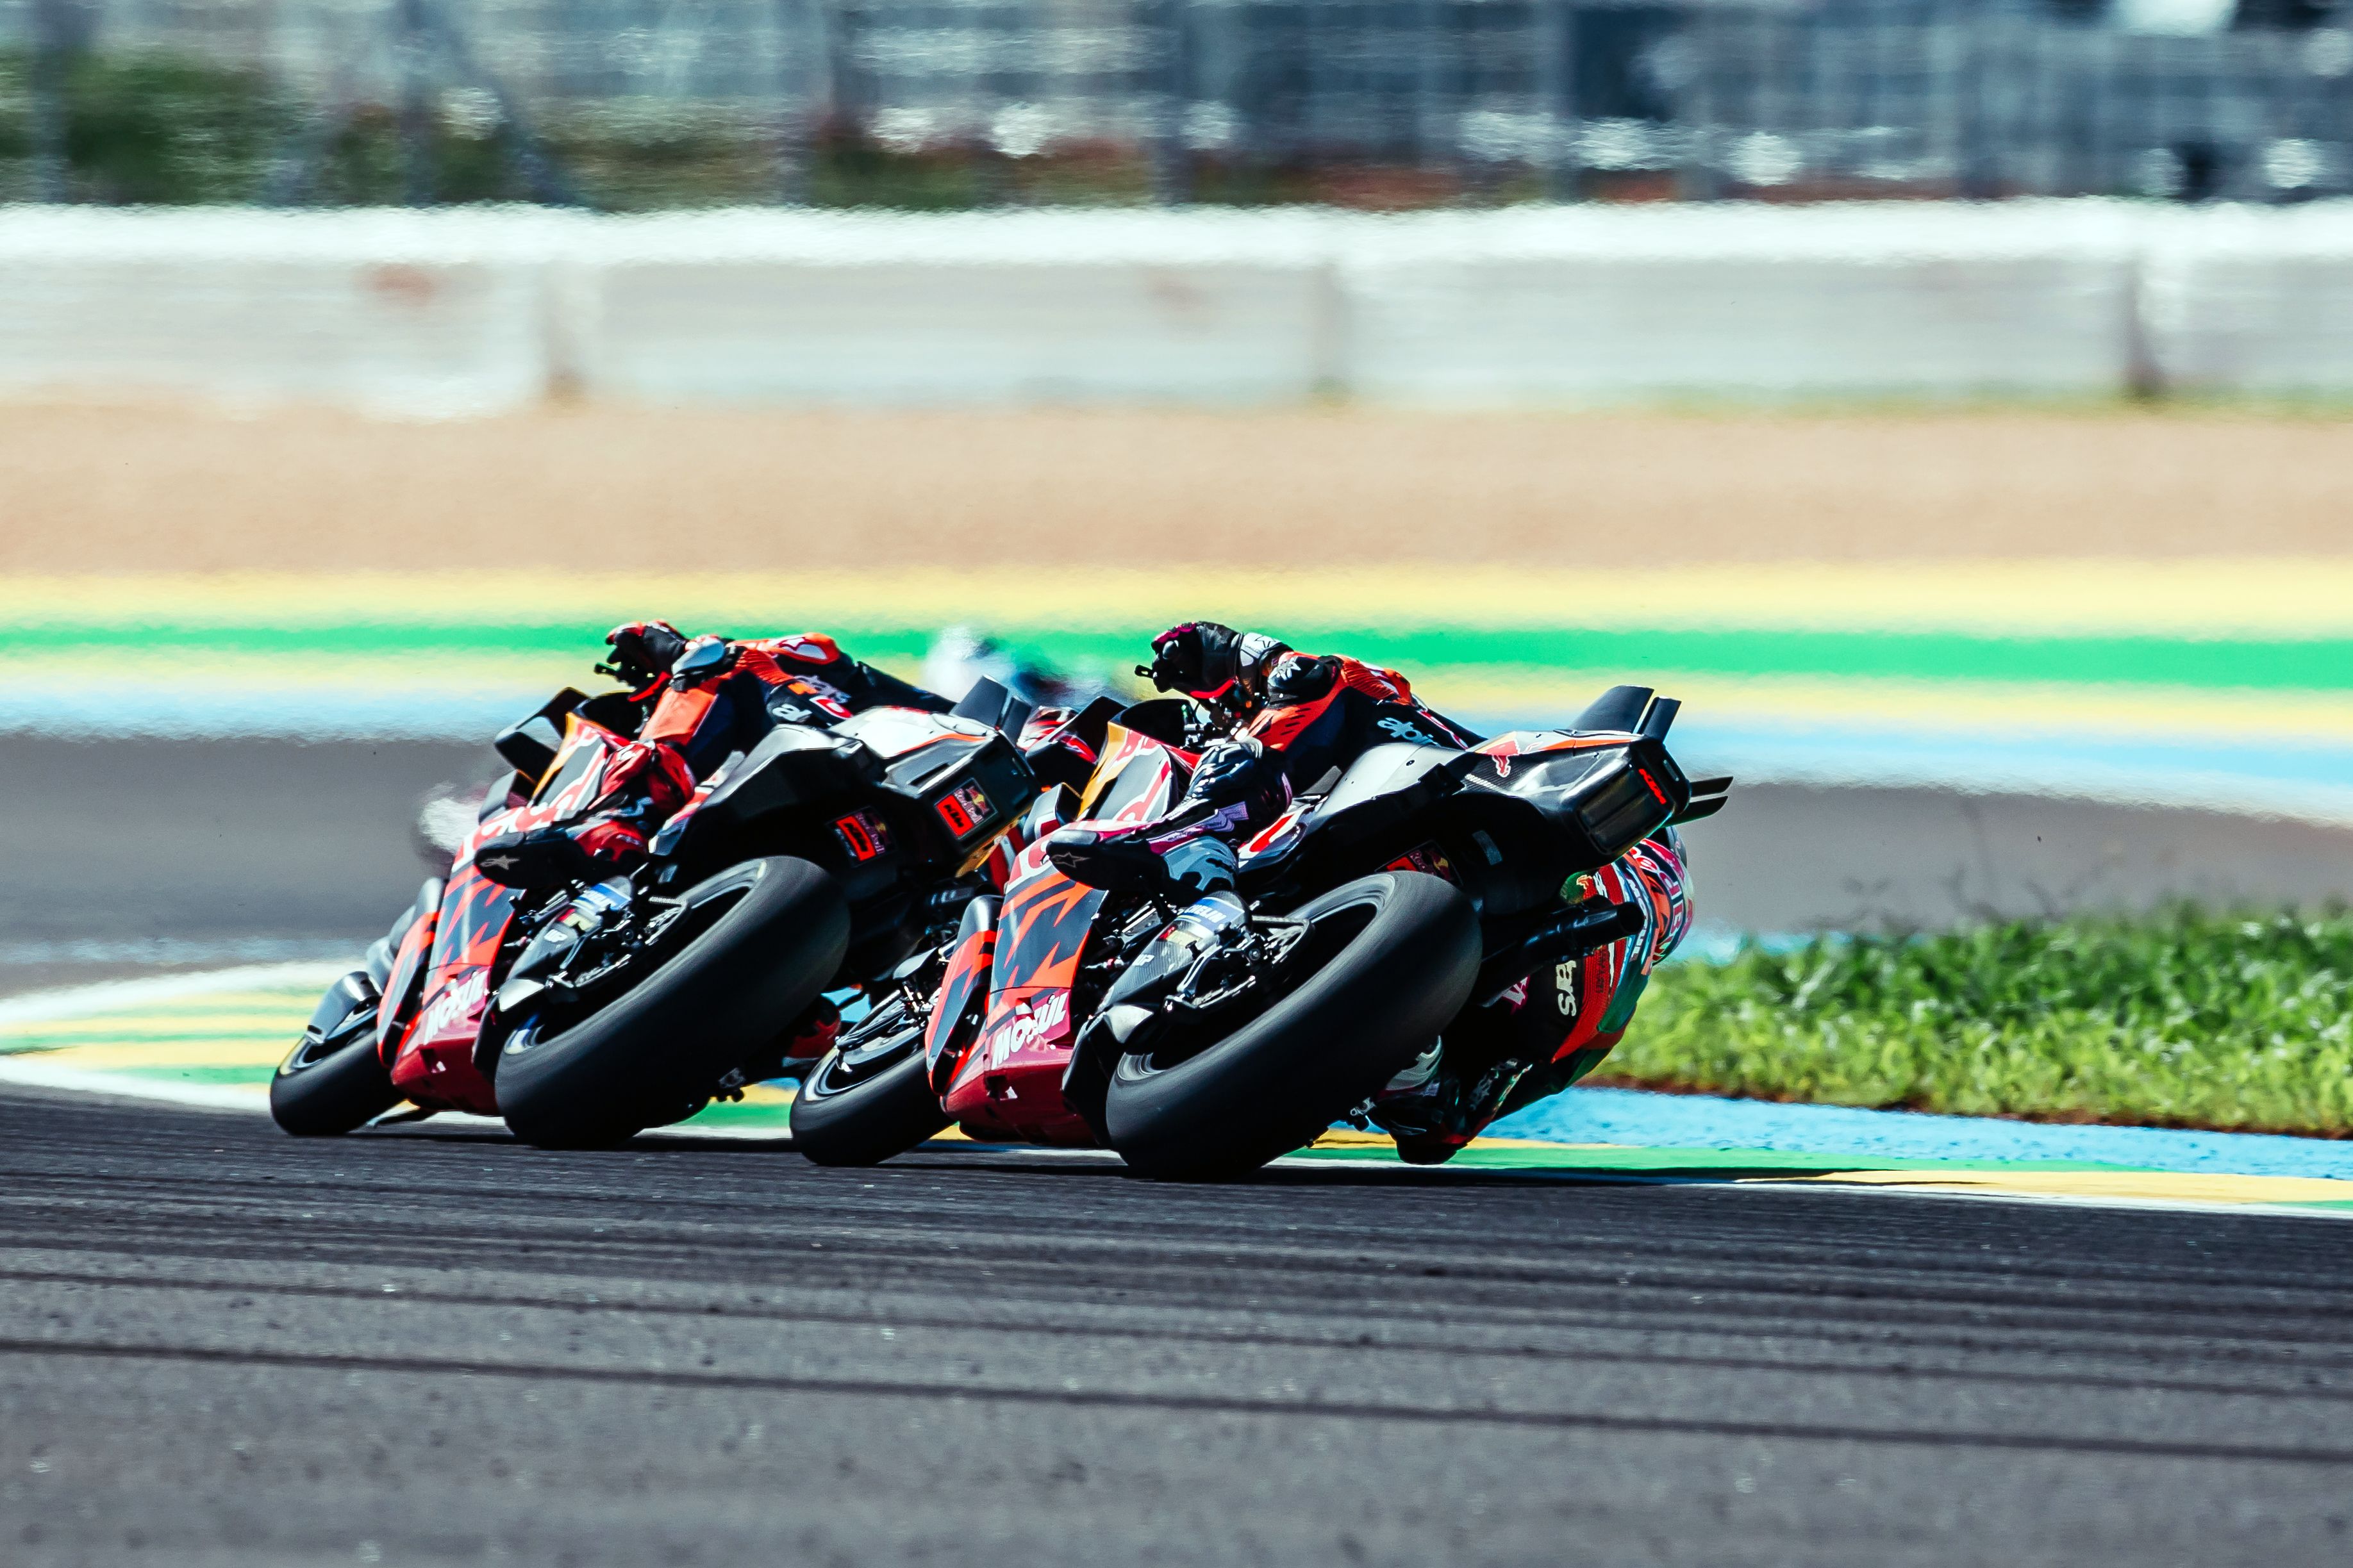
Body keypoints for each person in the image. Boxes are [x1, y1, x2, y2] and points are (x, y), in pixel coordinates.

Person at [1045, 620, 1692, 1166]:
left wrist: (1236, 653)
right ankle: (1415, 1067)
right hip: (1452, 1007)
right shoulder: (1608, 987)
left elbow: (1331, 680)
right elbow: (1438, 1138)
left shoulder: (1593, 956)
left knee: (1325, 682)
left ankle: (1194, 835)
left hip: (1442, 1005)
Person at [478, 620, 949, 886]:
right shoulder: (923, 705)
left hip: (899, 788)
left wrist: (680, 652)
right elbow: (819, 655)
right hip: (906, 854)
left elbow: (806, 652)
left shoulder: (962, 722)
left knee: (730, 665)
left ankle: (622, 814)